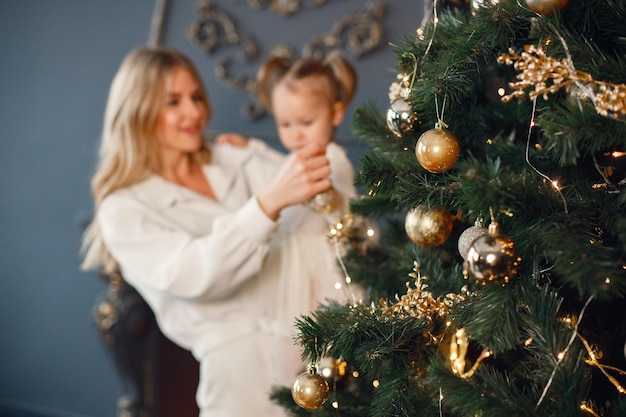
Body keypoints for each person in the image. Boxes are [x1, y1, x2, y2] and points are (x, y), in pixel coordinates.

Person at [80, 46, 333, 417]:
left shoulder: (233, 156)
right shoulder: (123, 209)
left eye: (196, 97)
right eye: (173, 102)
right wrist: (265, 206)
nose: (194, 112)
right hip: (239, 373)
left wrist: (259, 153)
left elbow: (319, 206)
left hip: (316, 343)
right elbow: (196, 274)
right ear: (137, 111)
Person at [216, 50, 361, 387]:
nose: (296, 135)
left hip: (318, 269)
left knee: (316, 352)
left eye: (306, 123)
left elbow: (327, 201)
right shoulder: (301, 156)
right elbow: (281, 167)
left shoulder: (333, 160)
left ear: (335, 113)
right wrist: (251, 148)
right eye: (285, 124)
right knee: (285, 359)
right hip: (292, 264)